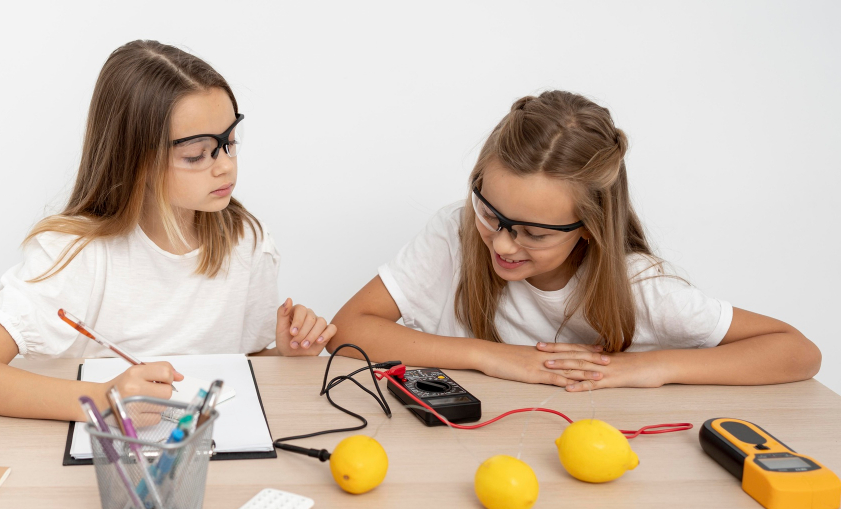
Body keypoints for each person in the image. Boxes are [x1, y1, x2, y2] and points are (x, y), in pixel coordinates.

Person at [0, 40, 335, 420]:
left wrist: (284, 355)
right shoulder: (75, 252)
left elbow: (240, 363)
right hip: (109, 449)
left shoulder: (247, 241)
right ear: (136, 161)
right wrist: (105, 400)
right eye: (196, 155)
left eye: (230, 142)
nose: (226, 165)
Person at [331, 91, 820, 391]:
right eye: (491, 214)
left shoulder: (638, 286)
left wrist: (651, 368)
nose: (503, 245)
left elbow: (797, 351)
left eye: (535, 233)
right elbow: (348, 329)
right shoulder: (455, 233)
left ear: (590, 226)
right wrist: (493, 357)